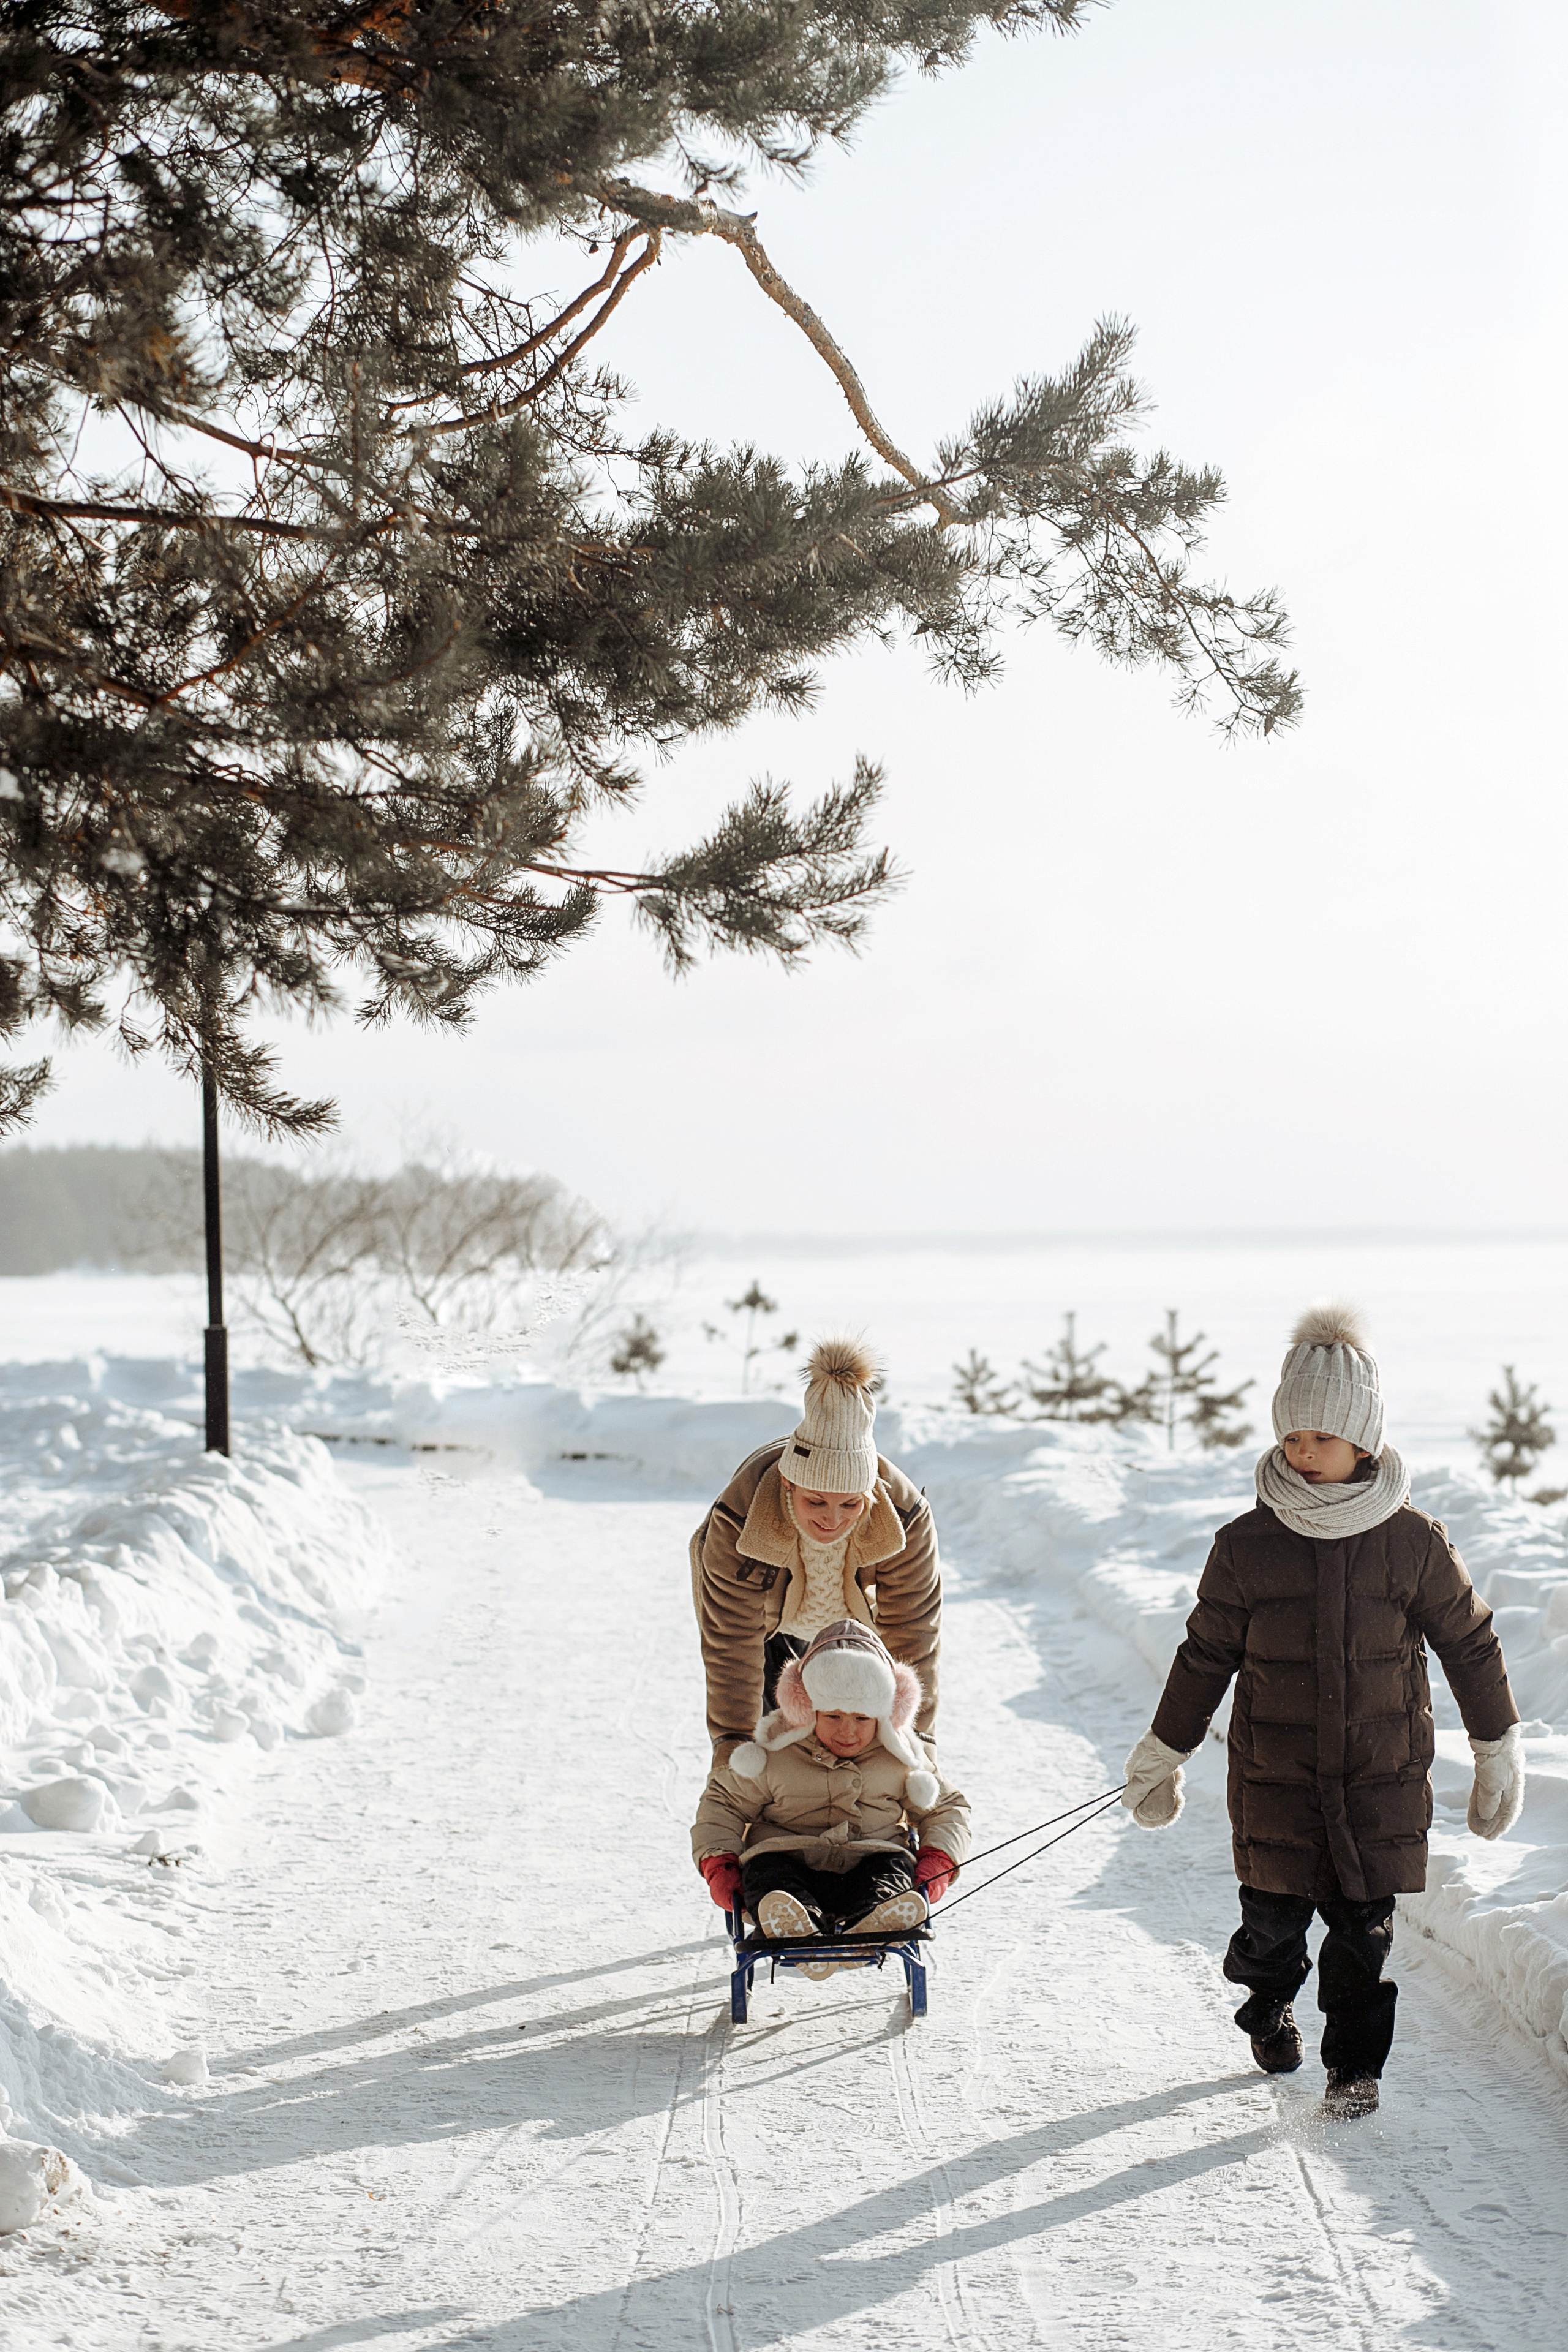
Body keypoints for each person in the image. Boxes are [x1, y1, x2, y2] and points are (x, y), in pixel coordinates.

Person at [1122, 1304, 1523, 2121]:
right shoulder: (1247, 1545)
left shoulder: (1412, 1543)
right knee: (1272, 1930)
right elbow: (1204, 1657)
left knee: (1362, 1938)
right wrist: (1163, 1752)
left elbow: (1470, 1644)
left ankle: (1353, 2072)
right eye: (1292, 1436)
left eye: (1322, 1437)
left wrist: (1496, 1747)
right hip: (1278, 1782)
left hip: (1380, 1783)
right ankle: (1266, 2004)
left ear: (1364, 1443)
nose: (1303, 1452)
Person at [690, 1336, 940, 1765]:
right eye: (816, 1502)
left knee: (861, 1736)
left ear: (870, 1493)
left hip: (857, 1627)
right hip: (768, 1626)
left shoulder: (905, 1518)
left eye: (850, 1505)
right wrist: (731, 1748)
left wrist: (918, 1747)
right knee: (777, 1744)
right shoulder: (738, 1519)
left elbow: (913, 1634)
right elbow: (732, 1647)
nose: (832, 1520)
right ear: (789, 1484)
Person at [692, 1618, 970, 1967]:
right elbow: (724, 1803)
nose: (848, 1732)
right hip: (788, 1856)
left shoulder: (899, 1759)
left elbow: (947, 1809)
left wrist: (939, 1858)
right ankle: (793, 1925)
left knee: (892, 1871)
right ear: (807, 1708)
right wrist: (719, 1860)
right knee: (767, 1872)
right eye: (834, 1716)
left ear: (884, 1714)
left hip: (871, 1856)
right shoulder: (775, 1754)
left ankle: (876, 1921)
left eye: (862, 1718)